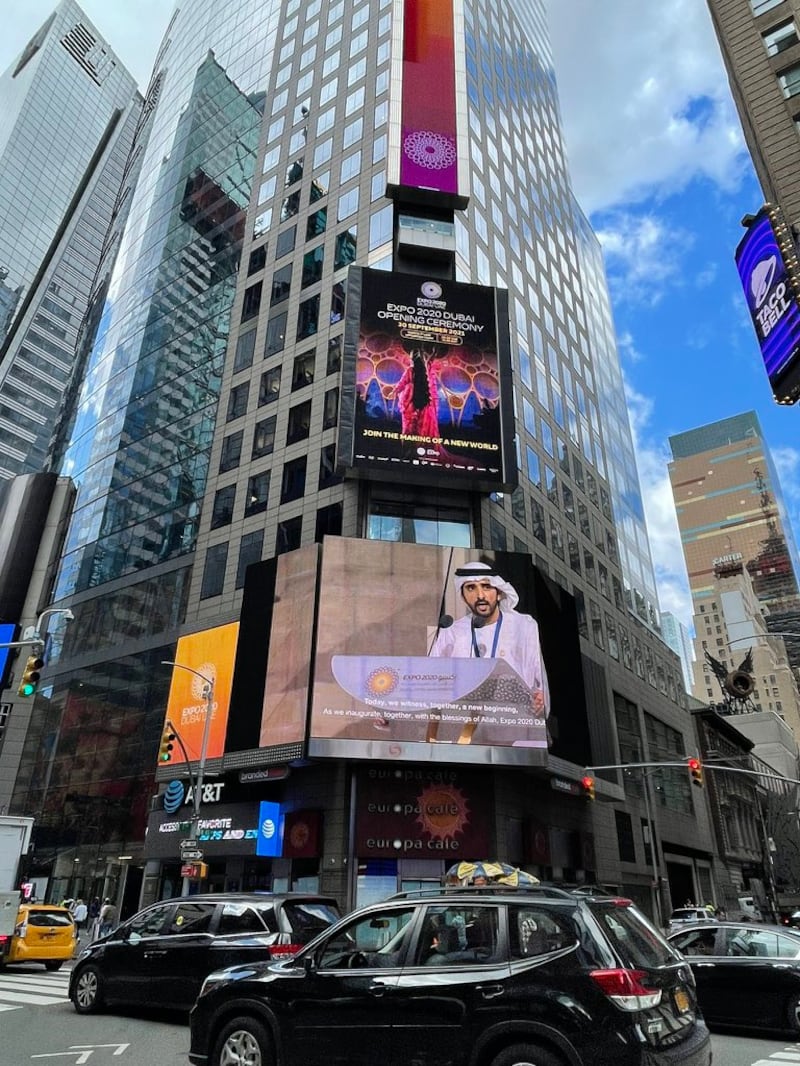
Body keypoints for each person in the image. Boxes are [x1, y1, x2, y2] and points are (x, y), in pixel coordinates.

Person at [431, 561, 550, 716]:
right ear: (463, 596)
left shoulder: (523, 625)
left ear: (499, 592)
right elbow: (431, 678)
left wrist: (542, 697)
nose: (480, 595)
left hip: (517, 720)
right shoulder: (452, 631)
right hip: (465, 723)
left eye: (486, 586)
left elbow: (539, 674)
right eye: (471, 588)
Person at [394, 342, 442, 440]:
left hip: (419, 404)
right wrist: (434, 354)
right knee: (413, 429)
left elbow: (402, 383)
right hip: (416, 404)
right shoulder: (416, 371)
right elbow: (402, 383)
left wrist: (434, 354)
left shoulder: (421, 370)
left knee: (415, 429)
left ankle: (414, 448)